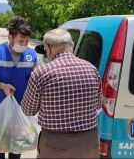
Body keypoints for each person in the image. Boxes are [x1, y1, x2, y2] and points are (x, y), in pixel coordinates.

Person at [21, 28, 103, 158]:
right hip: (89, 143)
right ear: (72, 45)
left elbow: (27, 110)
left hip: (55, 145)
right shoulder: (91, 69)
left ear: (47, 48)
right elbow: (98, 105)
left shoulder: (42, 73)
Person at [0, 16, 39, 159]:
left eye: (27, 41)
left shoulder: (32, 55)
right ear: (10, 37)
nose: (24, 45)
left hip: (21, 110)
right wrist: (1, 85)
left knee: (17, 147)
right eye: (21, 41)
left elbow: (38, 78)